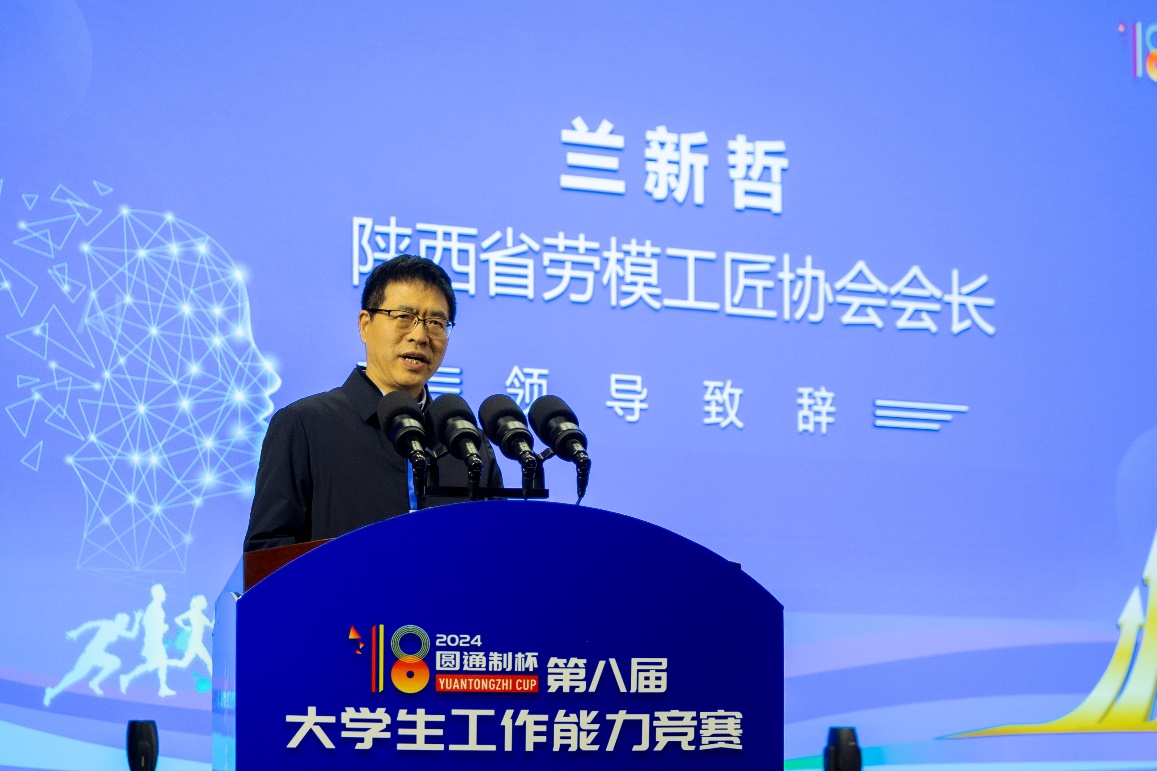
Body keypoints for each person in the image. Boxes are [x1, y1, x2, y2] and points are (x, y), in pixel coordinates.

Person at [243, 256, 502, 551]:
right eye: (403, 316)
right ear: (365, 325)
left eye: (435, 323)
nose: (420, 336)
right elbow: (268, 553)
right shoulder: (305, 425)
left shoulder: (467, 445)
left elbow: (498, 552)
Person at [43, 609, 142, 706]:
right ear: (119, 621)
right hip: (90, 654)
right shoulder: (108, 624)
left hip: (97, 655)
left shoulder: (118, 630)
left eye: (127, 623)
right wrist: (76, 632)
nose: (126, 625)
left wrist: (137, 619)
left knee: (115, 662)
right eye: (125, 622)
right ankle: (52, 692)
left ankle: (94, 682)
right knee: (75, 675)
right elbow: (89, 624)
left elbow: (132, 635)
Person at [119, 583, 175, 697]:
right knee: (159, 662)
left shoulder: (156, 608)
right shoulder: (154, 608)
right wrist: (163, 628)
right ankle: (162, 688)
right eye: (162, 592)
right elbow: (150, 625)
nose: (164, 594)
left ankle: (127, 678)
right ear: (157, 594)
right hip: (153, 642)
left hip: (154, 641)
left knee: (153, 664)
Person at [169, 595, 213, 675]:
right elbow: (177, 619)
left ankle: (165, 662)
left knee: (183, 663)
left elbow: (211, 625)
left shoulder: (200, 615)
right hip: (195, 642)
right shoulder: (193, 613)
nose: (204, 604)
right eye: (202, 602)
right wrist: (185, 627)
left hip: (196, 642)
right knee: (208, 662)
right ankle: (164, 662)